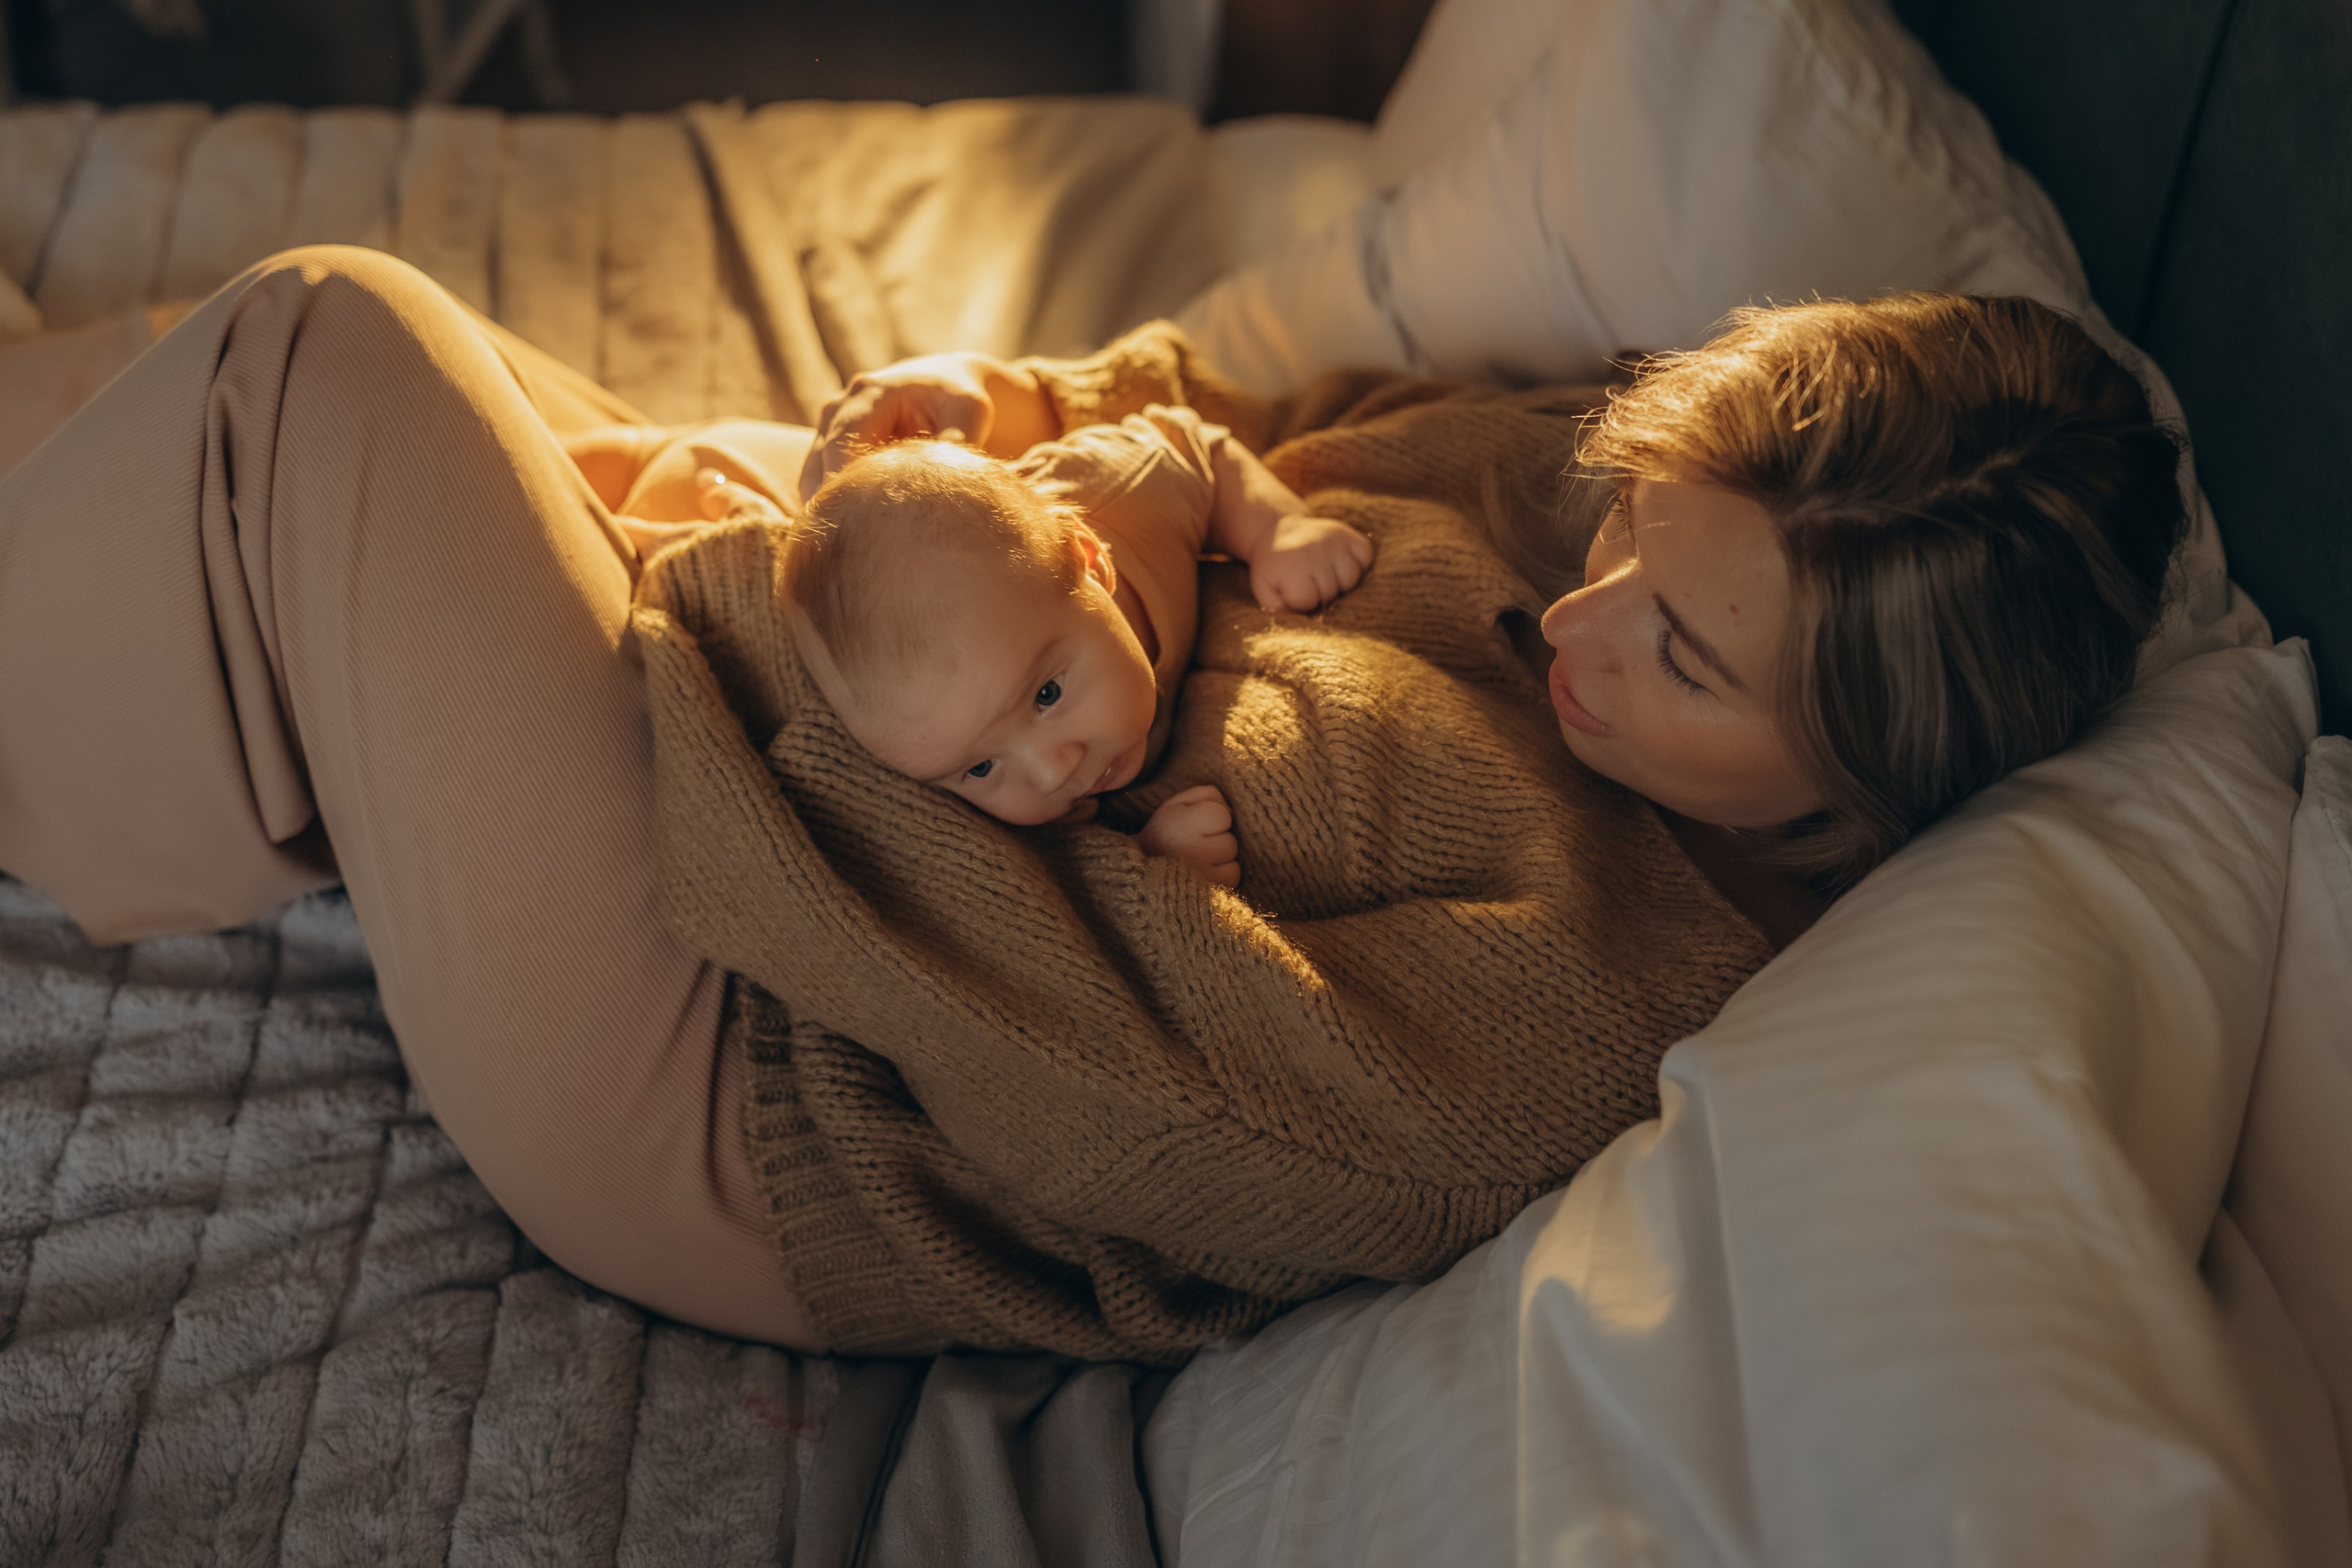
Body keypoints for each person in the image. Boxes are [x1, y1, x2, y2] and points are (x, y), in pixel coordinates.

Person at [0, 248, 2180, 1348]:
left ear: (1859, 781)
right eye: (1628, 531)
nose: (1582, 619)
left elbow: (1082, 1076)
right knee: (338, 416)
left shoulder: (1599, 988)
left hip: (780, 1069)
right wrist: (999, 431)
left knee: (327, 363)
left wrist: (740, 617)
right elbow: (1222, 426)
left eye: (1679, 655)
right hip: (849, 755)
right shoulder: (1595, 507)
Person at [777, 410, 1374, 886]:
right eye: (980, 767)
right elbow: (1063, 886)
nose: (1052, 770)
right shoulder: (961, 743)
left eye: (1047, 693)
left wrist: (1276, 528)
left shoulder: (1122, 494)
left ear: (1089, 561)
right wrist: (1150, 857)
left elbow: (1195, 446)